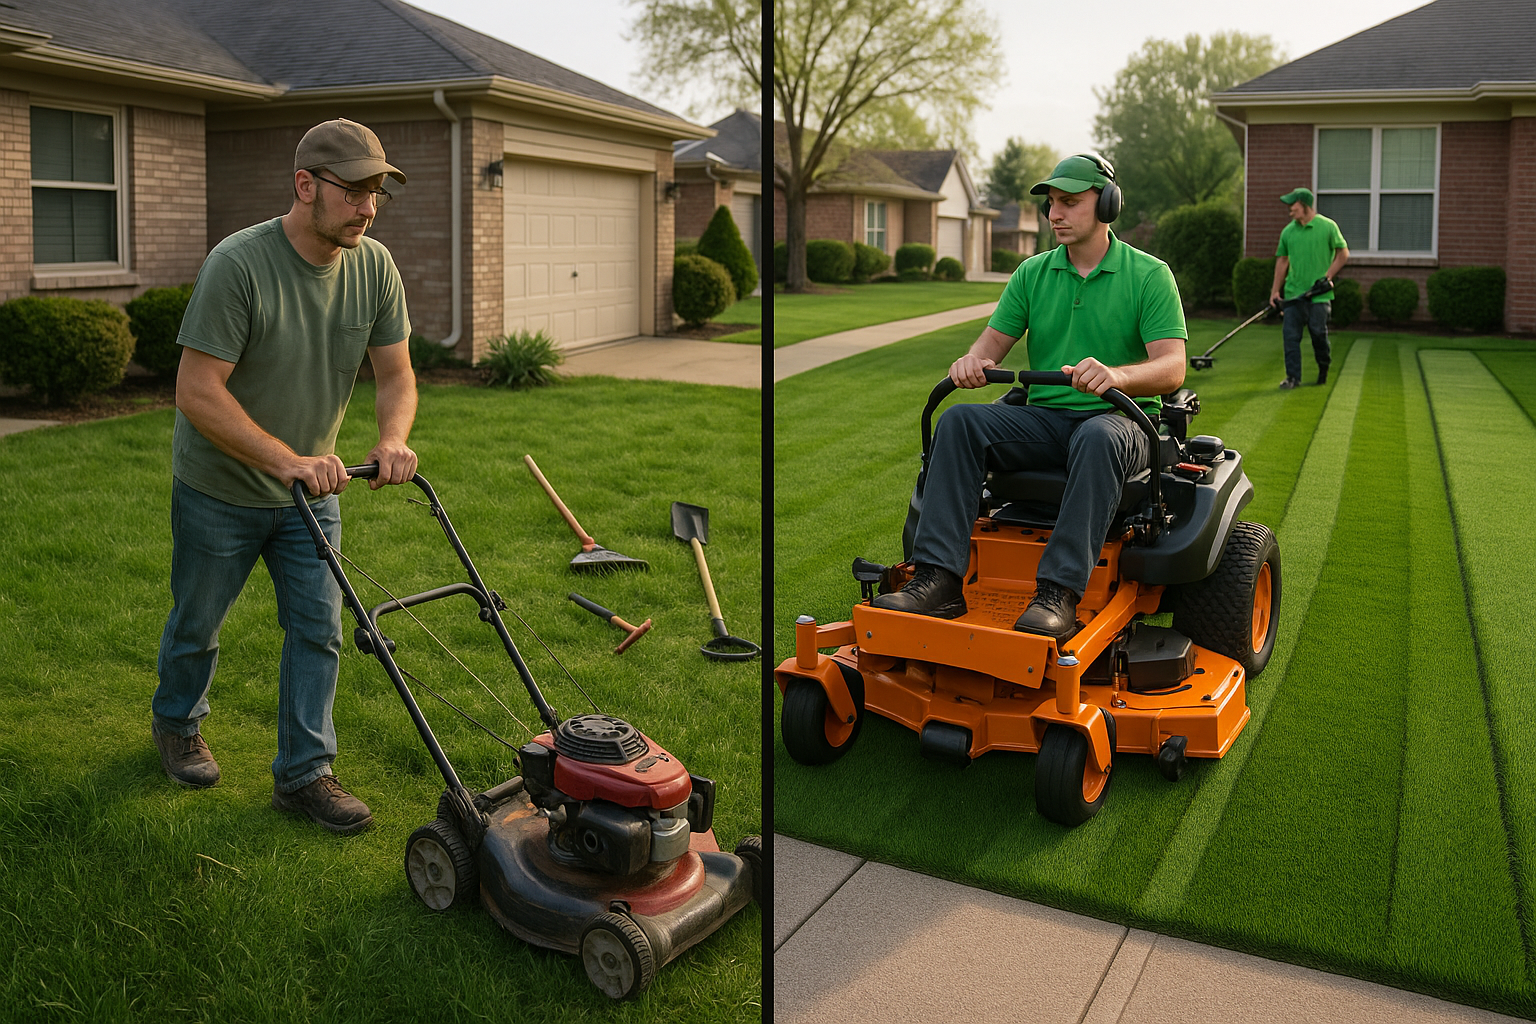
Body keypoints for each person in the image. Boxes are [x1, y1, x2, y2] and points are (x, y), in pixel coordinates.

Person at [151, 118, 419, 834]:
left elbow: (395, 375)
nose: (368, 206)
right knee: (198, 622)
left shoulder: (374, 267)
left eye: (377, 193)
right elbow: (197, 391)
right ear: (305, 185)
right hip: (220, 488)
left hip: (312, 496)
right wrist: (285, 459)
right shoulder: (238, 265)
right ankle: (177, 722)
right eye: (355, 190)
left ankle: (304, 775)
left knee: (319, 630)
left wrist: (391, 439)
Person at [872, 154, 1187, 643]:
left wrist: (1116, 375)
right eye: (1050, 204)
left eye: (1069, 202)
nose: (1054, 214)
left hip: (1121, 423)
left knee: (1097, 437)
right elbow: (989, 348)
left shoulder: (1148, 275)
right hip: (1046, 420)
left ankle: (1057, 593)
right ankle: (938, 580)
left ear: (1106, 205)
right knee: (958, 423)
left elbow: (1172, 367)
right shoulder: (1032, 274)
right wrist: (971, 363)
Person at [1269, 187, 1349, 390]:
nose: (1289, 209)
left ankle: (1324, 367)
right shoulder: (1288, 231)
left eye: (1292, 205)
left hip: (1319, 296)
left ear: (1304, 205)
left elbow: (1343, 253)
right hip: (1294, 294)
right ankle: (1292, 378)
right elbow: (1282, 261)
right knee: (1290, 337)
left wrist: (1328, 276)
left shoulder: (1327, 227)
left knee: (1318, 333)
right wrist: (1275, 292)